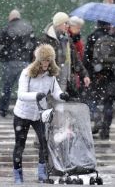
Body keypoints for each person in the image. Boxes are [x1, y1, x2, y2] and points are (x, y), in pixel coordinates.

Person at [12, 44, 69, 184]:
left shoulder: (51, 75)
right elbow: (21, 94)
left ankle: (42, 172)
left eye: (48, 61)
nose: (45, 63)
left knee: (44, 143)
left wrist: (62, 95)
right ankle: (17, 173)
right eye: (43, 60)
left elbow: (55, 91)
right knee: (20, 144)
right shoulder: (27, 73)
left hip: (40, 114)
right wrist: (36, 95)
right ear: (38, 60)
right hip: (22, 114)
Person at [40, 12, 90, 99]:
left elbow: (76, 60)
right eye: (65, 23)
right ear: (58, 24)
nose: (68, 26)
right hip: (51, 81)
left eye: (68, 23)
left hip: (65, 81)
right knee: (50, 107)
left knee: (62, 106)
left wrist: (85, 75)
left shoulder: (67, 40)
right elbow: (38, 61)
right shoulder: (46, 40)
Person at [0, 9, 37, 117]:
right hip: (24, 62)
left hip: (10, 62)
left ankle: (3, 110)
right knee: (24, 88)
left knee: (7, 87)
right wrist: (29, 59)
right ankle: (25, 111)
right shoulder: (28, 28)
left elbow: (0, 46)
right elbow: (34, 45)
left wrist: (3, 58)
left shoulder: (6, 29)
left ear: (10, 17)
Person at [83, 21, 115, 139]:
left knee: (90, 98)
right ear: (108, 25)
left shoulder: (92, 37)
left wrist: (89, 73)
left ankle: (96, 116)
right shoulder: (114, 38)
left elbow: (86, 58)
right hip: (110, 76)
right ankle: (106, 129)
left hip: (95, 75)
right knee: (108, 103)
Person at [68, 16, 85, 91]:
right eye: (77, 27)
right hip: (70, 67)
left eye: (80, 28)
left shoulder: (77, 37)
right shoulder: (68, 37)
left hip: (76, 66)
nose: (79, 30)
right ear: (71, 26)